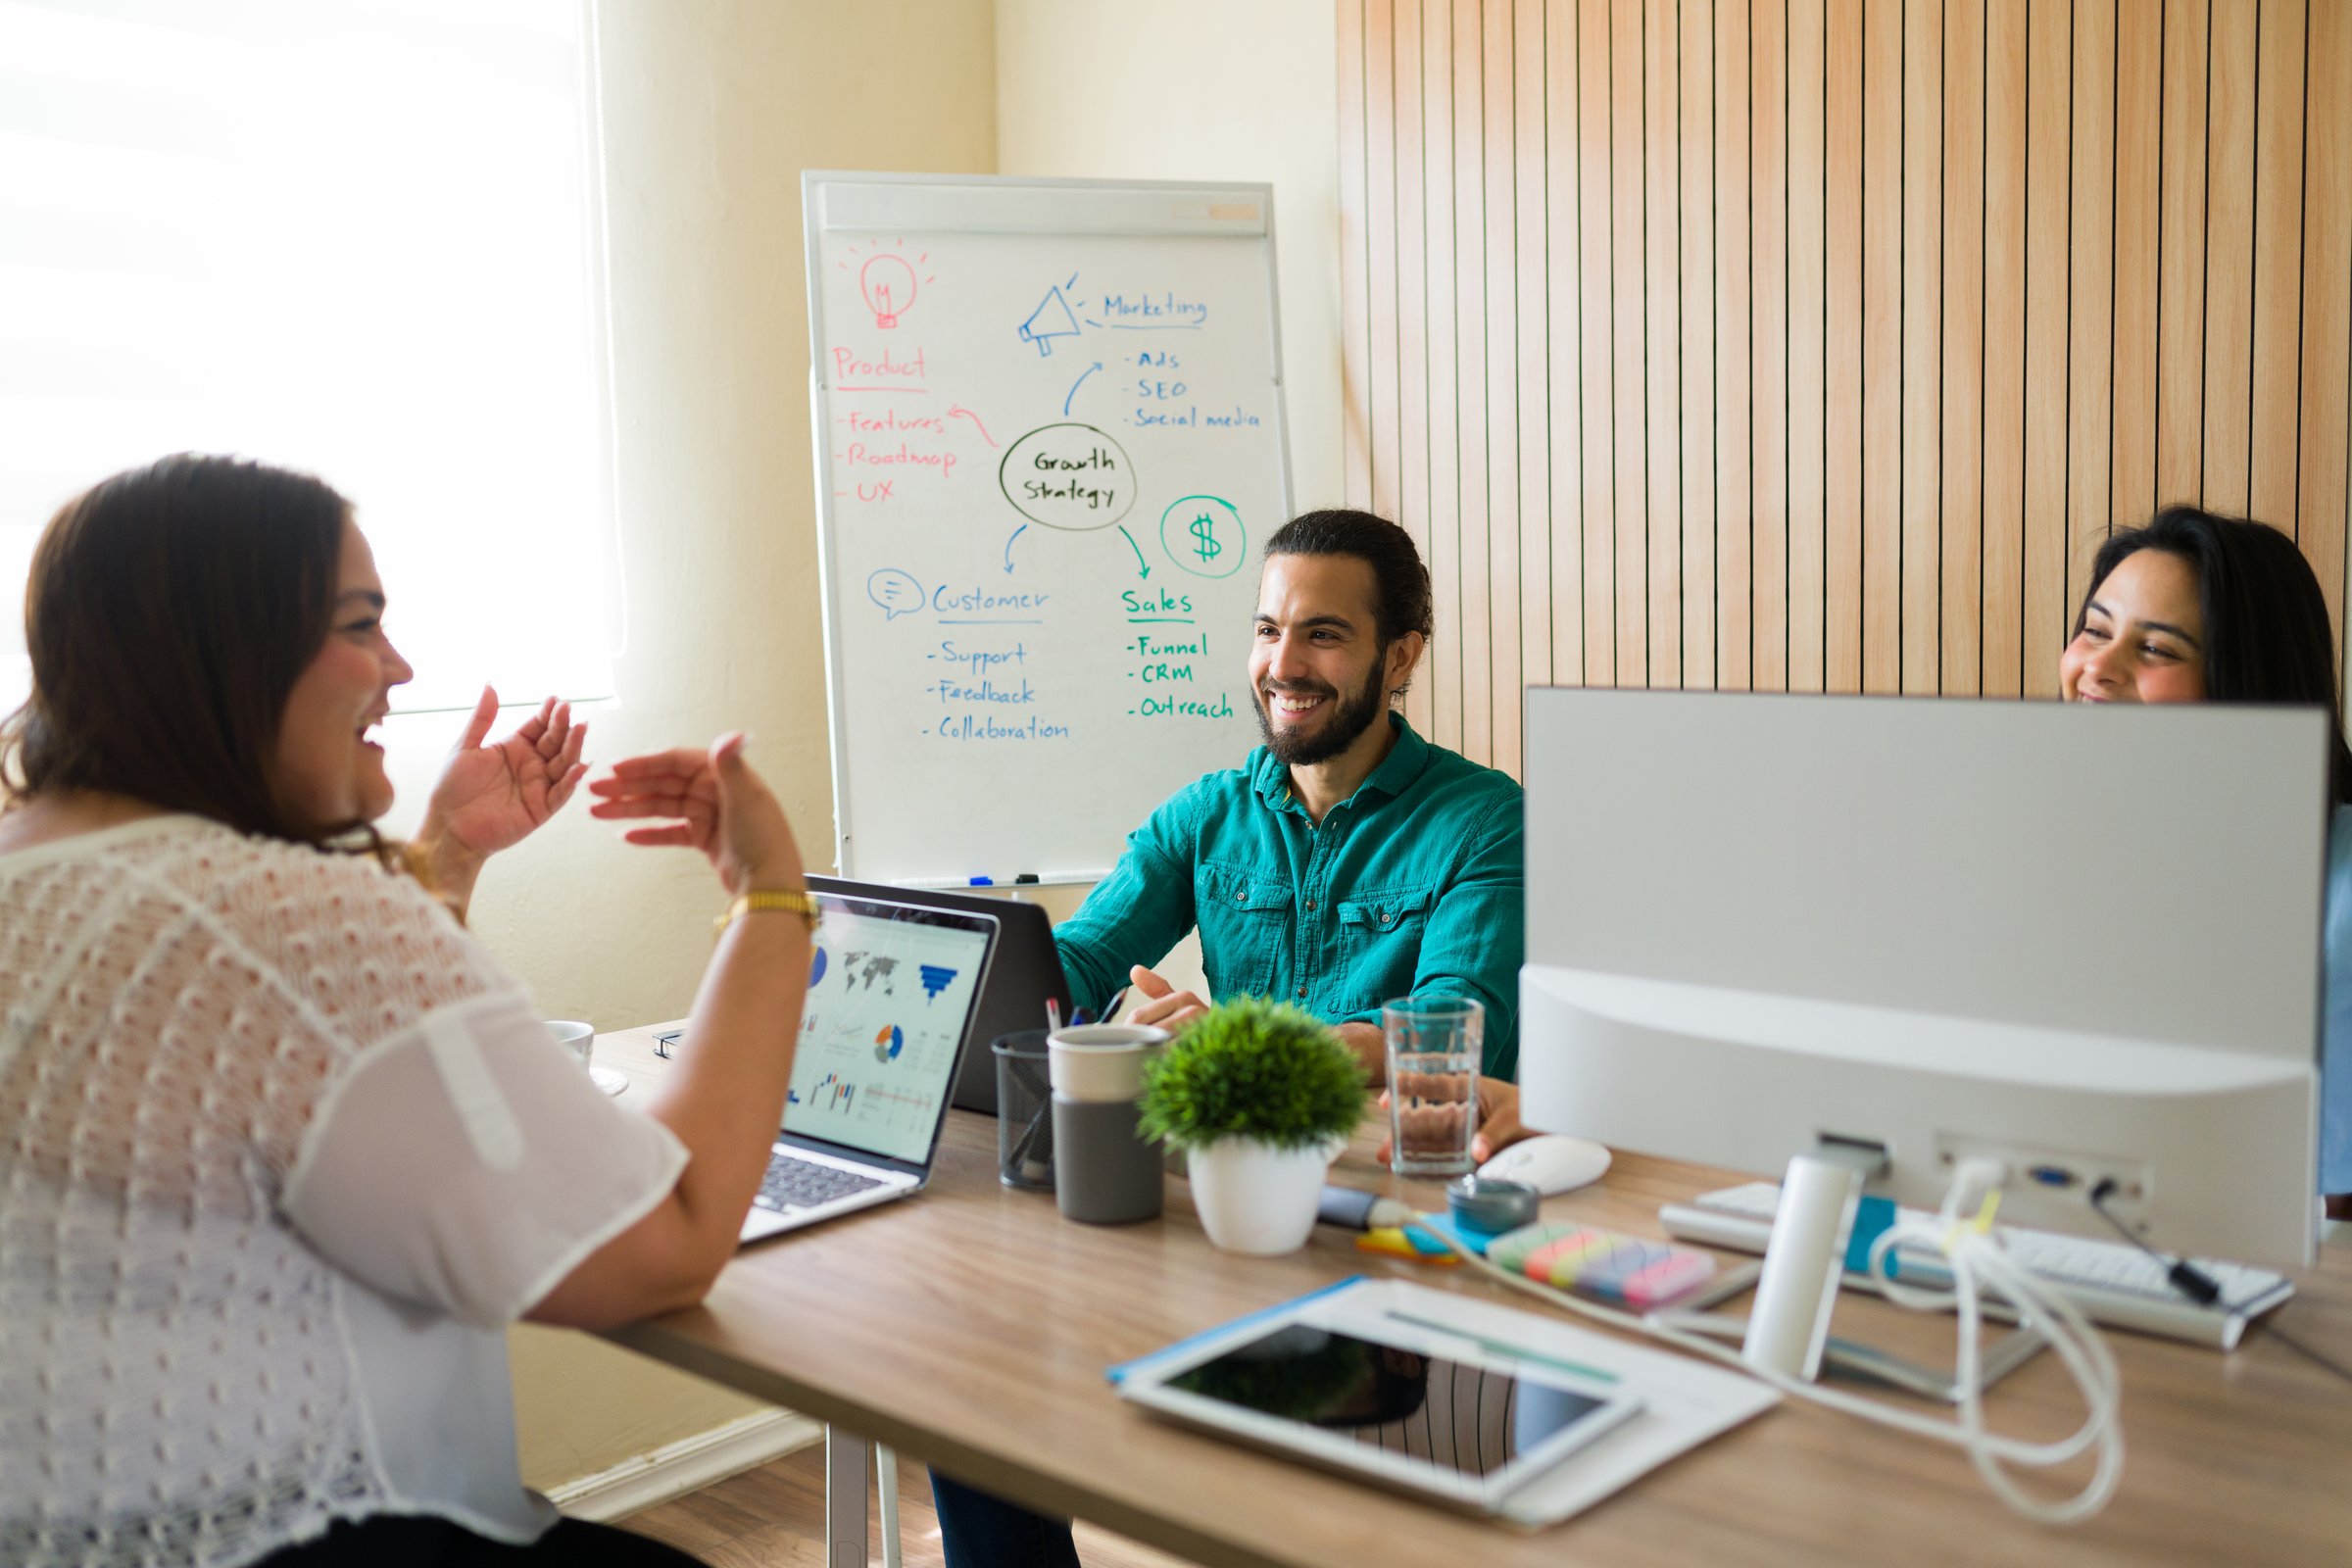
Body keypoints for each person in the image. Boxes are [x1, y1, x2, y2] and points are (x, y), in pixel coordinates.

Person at [0, 454, 815, 1568]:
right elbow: (663, 1244)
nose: (400, 666)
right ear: (223, 654)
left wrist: (442, 859)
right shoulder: (282, 916)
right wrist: (770, 896)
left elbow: (304, 1077)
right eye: (359, 625)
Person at [930, 508, 1529, 1568]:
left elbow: (1451, 1022)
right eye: (1266, 628)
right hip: (1198, 1221)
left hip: (1373, 1254)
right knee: (967, 1373)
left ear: (1401, 656)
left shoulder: (1484, 819)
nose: (1282, 665)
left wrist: (1236, 1044)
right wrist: (947, 984)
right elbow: (1065, 975)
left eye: (1322, 635)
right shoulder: (1204, 814)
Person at [2059, 504, 2352, 1220]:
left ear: (2241, 680)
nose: (2098, 667)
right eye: (2094, 631)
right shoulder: (2050, 857)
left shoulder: (2338, 881)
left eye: (2155, 650)